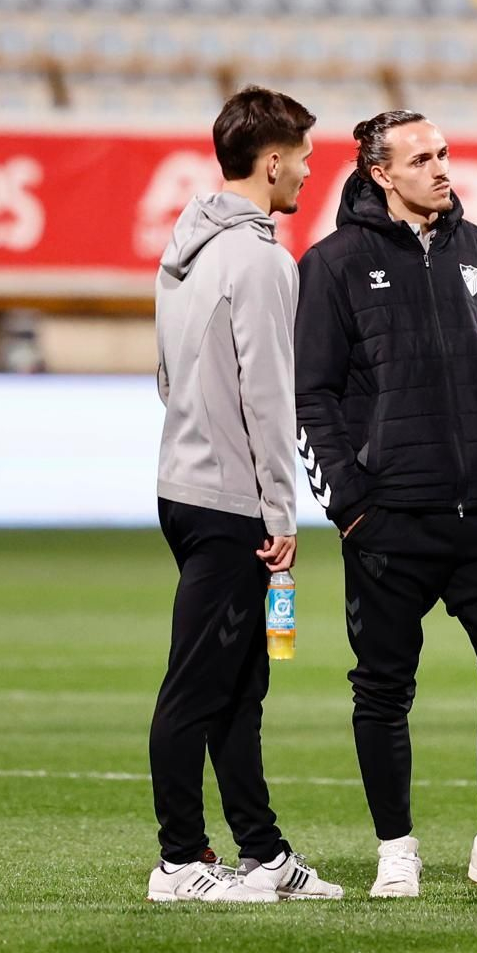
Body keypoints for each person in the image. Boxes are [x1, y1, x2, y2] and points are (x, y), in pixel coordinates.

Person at [293, 111, 477, 900]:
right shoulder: (334, 265)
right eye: (422, 158)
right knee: (383, 687)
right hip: (390, 520)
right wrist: (351, 507)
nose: (442, 169)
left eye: (444, 154)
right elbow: (309, 394)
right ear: (381, 173)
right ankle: (395, 848)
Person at [148, 86, 341, 902]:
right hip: (230, 500)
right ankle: (180, 863)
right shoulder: (261, 259)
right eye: (300, 155)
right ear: (270, 162)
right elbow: (270, 396)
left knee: (237, 684)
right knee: (199, 685)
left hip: (183, 484)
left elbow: (166, 375)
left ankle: (263, 854)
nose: (305, 169)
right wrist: (279, 511)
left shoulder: (182, 248)